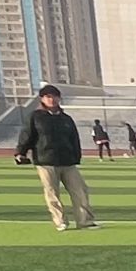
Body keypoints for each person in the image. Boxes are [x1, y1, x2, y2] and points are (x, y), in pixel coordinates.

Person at [13, 84, 95, 231]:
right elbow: (27, 135)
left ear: (59, 98)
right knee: (52, 193)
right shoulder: (35, 117)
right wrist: (20, 152)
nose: (52, 99)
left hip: (67, 161)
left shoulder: (66, 119)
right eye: (48, 97)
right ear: (42, 99)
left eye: (55, 96)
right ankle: (60, 221)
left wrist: (76, 156)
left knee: (80, 190)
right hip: (45, 160)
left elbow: (74, 139)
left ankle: (85, 221)